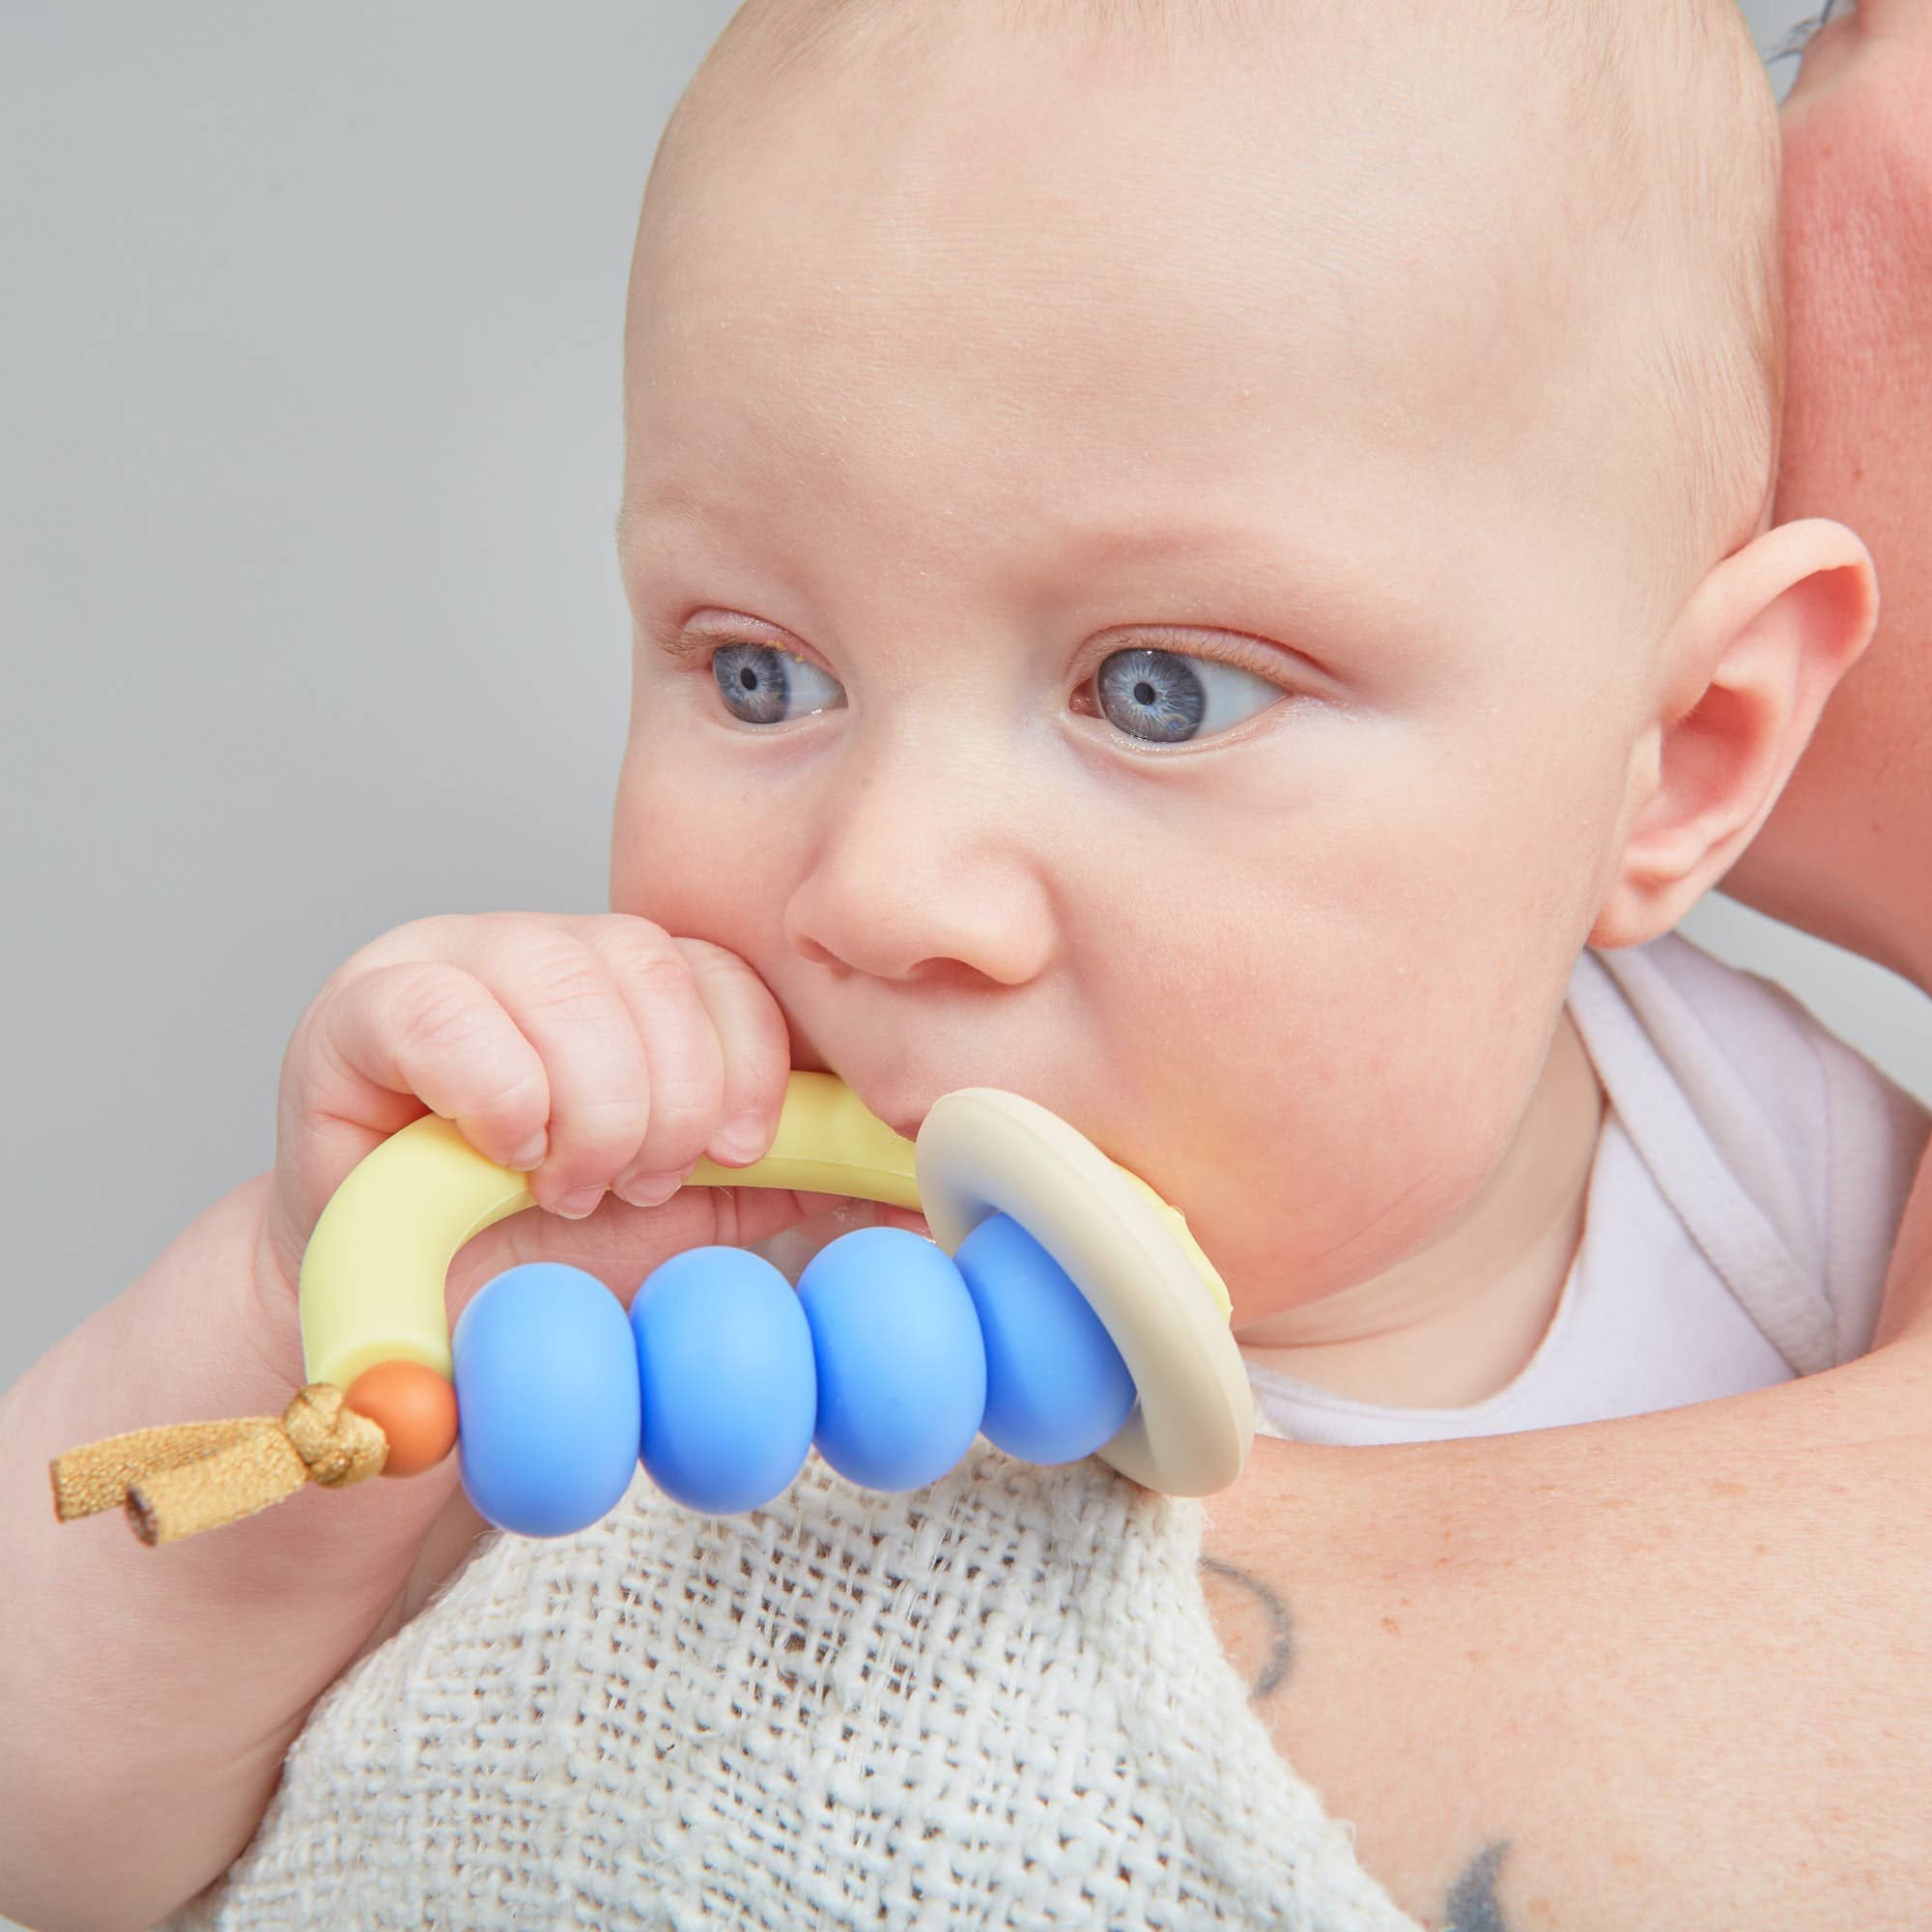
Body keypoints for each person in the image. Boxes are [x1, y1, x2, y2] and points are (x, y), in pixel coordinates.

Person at [1, 0, 1927, 1926]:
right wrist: (297, 1300)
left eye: (1158, 693)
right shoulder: (642, 1256)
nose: (881, 881)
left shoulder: (1790, 1196)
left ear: (1681, 758)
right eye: (759, 670)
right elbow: (51, 1831)